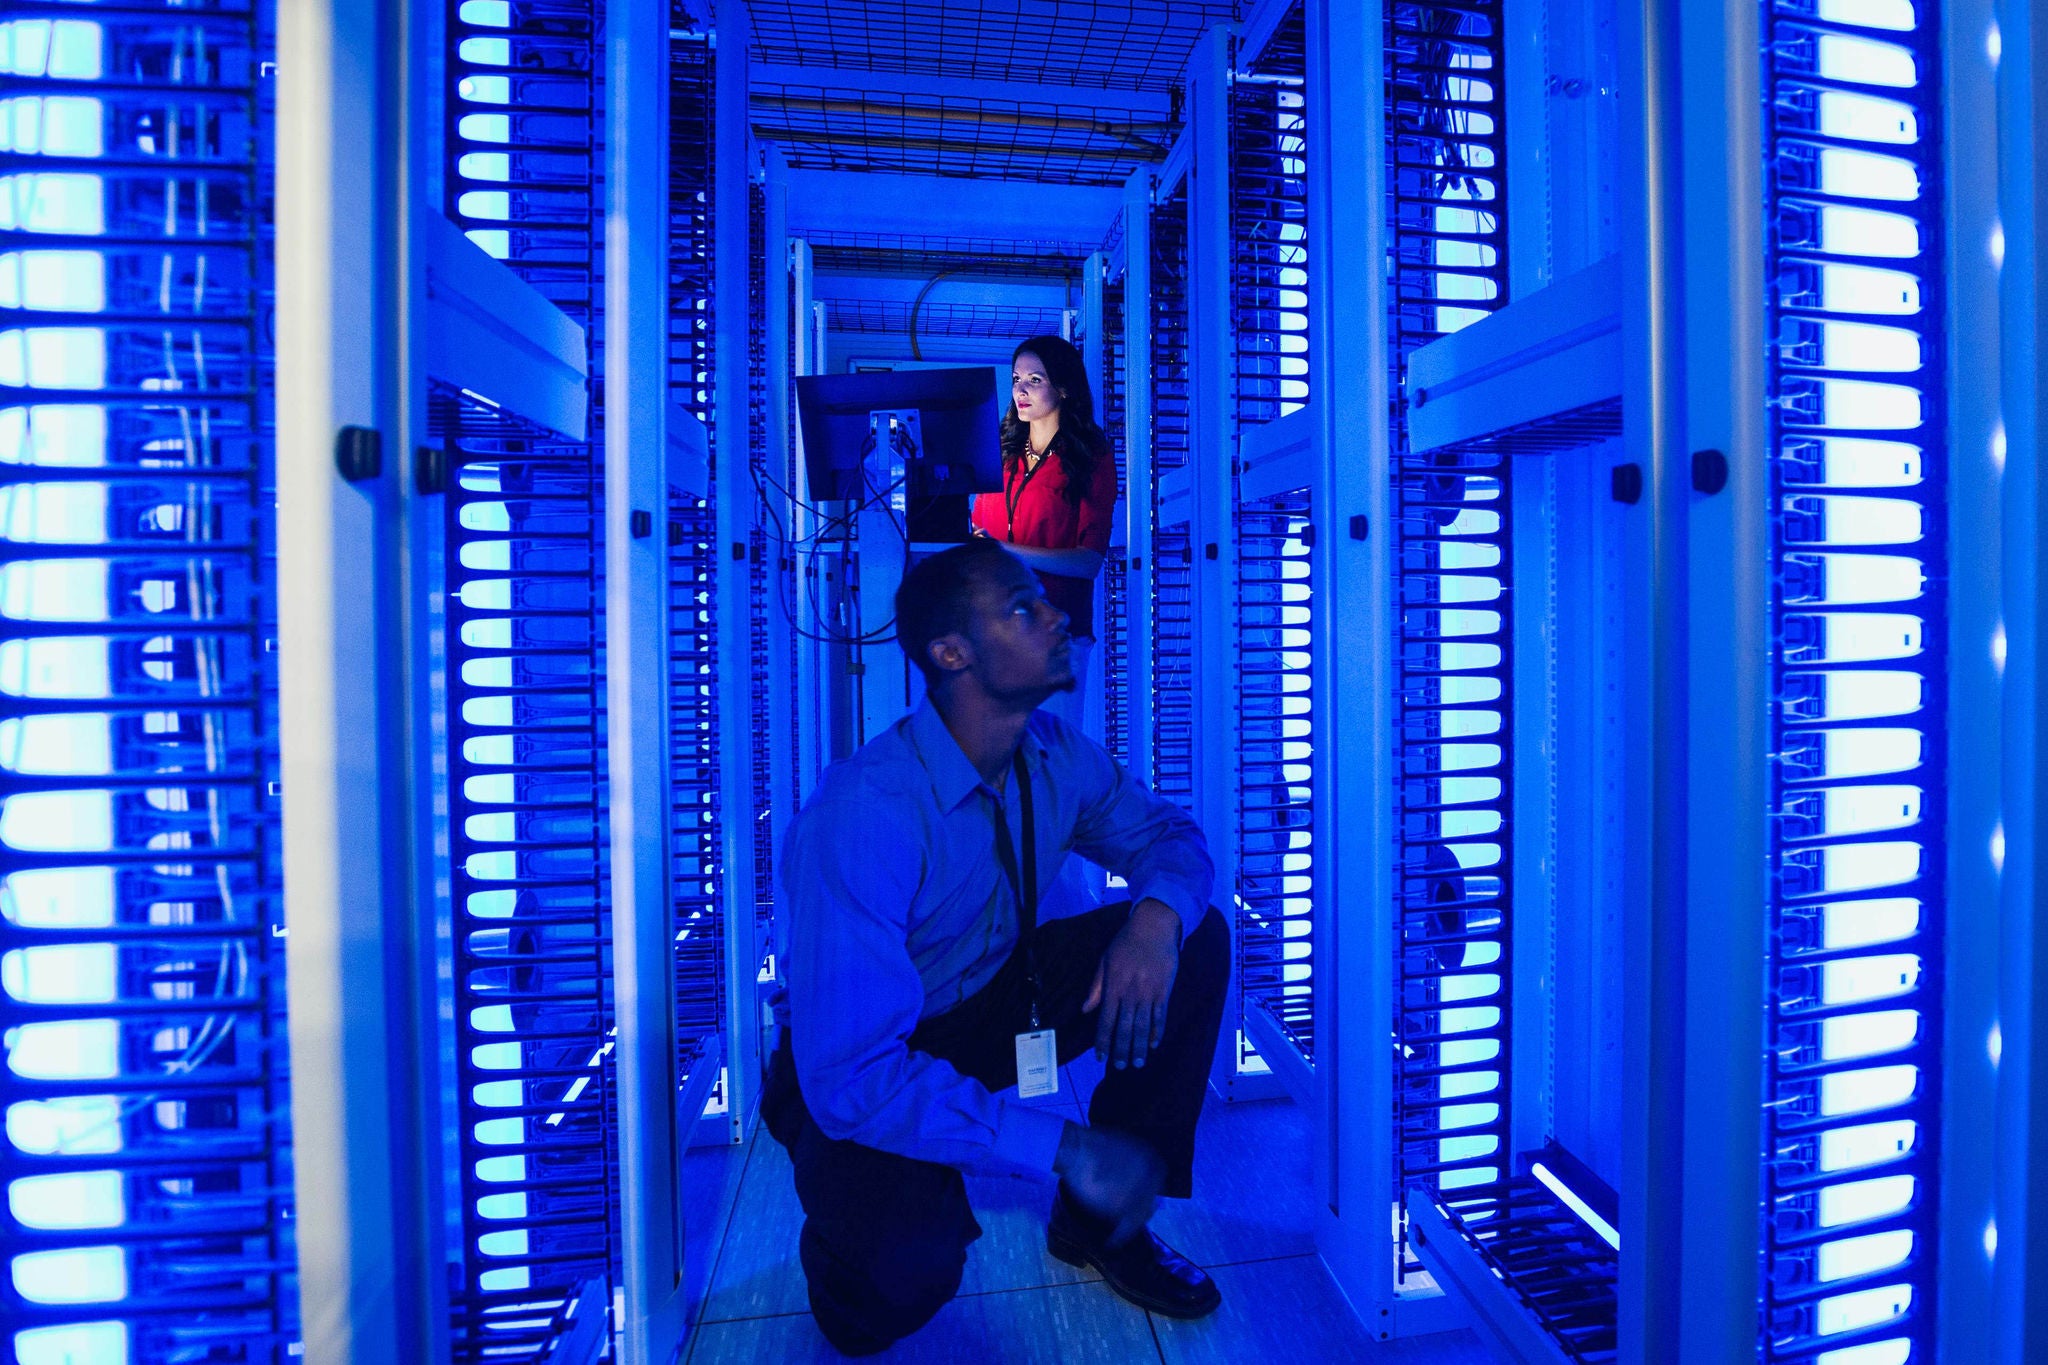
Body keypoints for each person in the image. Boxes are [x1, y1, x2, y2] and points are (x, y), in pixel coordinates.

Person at [766, 538, 1229, 1356]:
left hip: (990, 1003)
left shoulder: (1053, 751)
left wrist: (1153, 922)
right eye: (1024, 606)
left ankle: (1099, 1227)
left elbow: (1170, 838)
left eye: (1047, 602)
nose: (1058, 617)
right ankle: (844, 1237)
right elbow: (853, 1075)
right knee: (902, 1268)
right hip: (864, 1056)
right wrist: (1064, 1144)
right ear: (952, 653)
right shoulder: (865, 812)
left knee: (1195, 939)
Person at [969, 335, 1118, 730]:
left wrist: (1003, 550)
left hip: (1057, 635)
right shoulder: (1002, 455)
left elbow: (1088, 561)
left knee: (1048, 767)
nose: (1020, 389)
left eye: (1035, 379)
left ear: (1064, 388)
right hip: (996, 633)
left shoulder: (1091, 458)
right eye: (1017, 378)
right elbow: (977, 531)